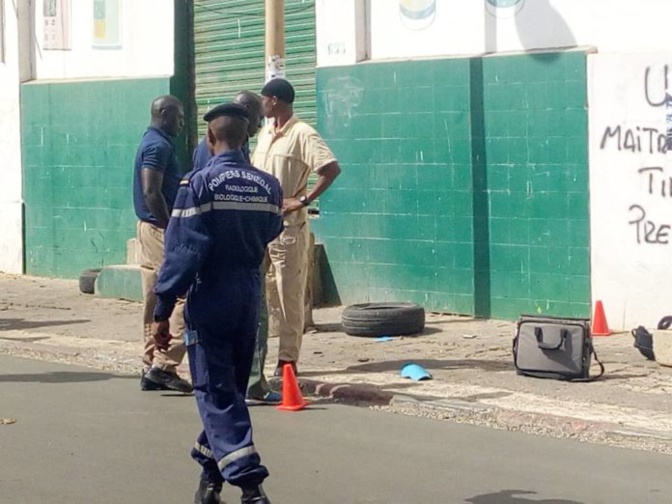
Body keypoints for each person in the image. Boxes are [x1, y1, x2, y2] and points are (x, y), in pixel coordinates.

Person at [152, 103, 282, 504]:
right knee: (230, 390)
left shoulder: (199, 184)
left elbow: (184, 250)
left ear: (211, 139)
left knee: (214, 392)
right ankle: (209, 479)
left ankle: (249, 484)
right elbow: (272, 229)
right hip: (248, 294)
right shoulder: (269, 185)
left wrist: (162, 308)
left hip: (211, 293)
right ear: (246, 138)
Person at [192, 91, 280, 405]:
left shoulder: (207, 150)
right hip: (239, 262)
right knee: (254, 319)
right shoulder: (239, 160)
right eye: (258, 118)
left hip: (209, 267)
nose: (260, 125)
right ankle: (253, 382)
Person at [252, 78, 341, 376]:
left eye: (264, 99)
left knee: (288, 293)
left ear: (275, 100)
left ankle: (287, 360)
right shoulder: (265, 133)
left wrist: (302, 200)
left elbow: (330, 169)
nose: (261, 104)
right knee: (257, 291)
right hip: (258, 227)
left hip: (288, 228)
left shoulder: (303, 133)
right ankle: (254, 356)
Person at [132, 95, 192, 393]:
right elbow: (151, 191)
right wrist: (171, 228)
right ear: (165, 114)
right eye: (179, 117)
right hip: (158, 229)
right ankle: (164, 364)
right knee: (180, 294)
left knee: (154, 295)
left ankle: (151, 360)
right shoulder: (158, 145)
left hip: (148, 227)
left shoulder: (151, 140)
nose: (182, 123)